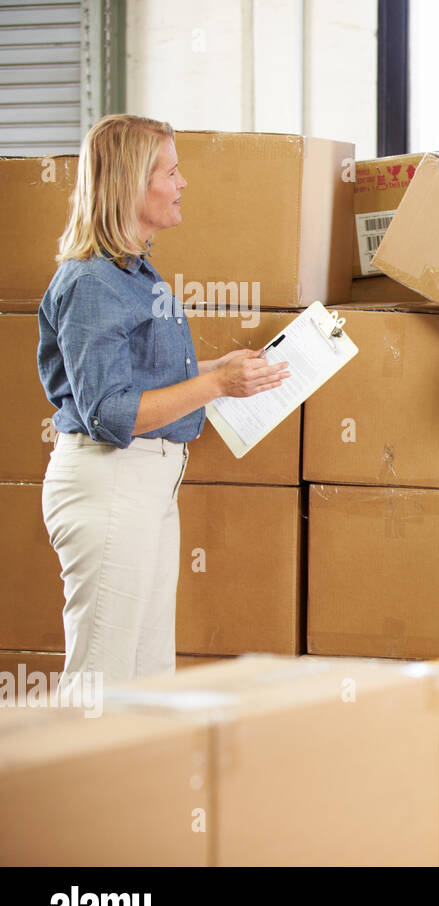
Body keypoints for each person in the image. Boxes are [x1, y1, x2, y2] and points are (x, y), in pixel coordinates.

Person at [38, 114, 289, 689]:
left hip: (145, 484)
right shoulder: (91, 283)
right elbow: (112, 412)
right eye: (172, 171)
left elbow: (139, 379)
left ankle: (134, 780)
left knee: (145, 678)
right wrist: (216, 386)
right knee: (100, 682)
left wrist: (218, 369)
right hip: (110, 481)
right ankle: (78, 780)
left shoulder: (132, 273)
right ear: (132, 184)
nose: (184, 183)